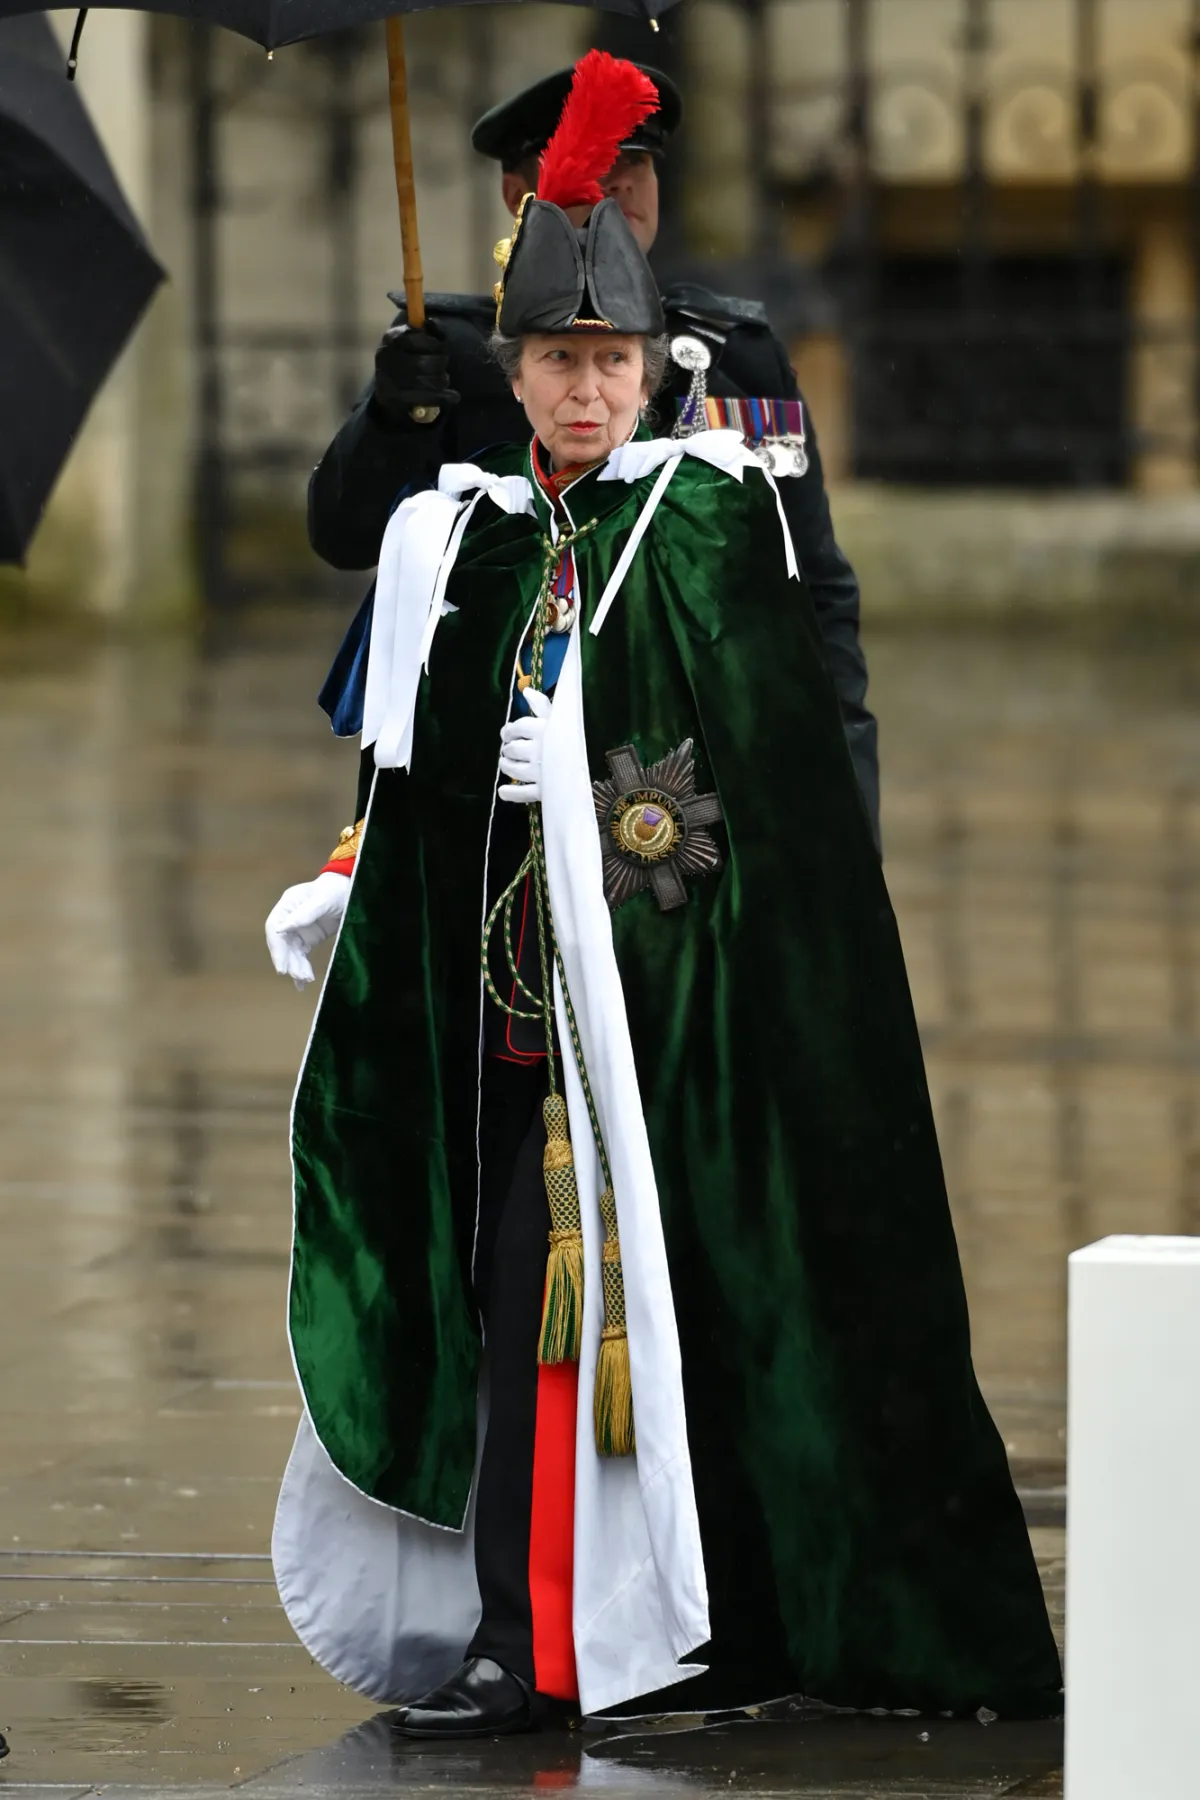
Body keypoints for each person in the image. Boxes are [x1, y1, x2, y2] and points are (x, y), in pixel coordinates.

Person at [266, 51, 1061, 1741]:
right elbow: (378, 604)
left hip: (681, 916)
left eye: (606, 352)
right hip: (505, 953)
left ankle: (704, 1612)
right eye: (552, 353)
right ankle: (526, 1624)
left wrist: (784, 835)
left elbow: (783, 632)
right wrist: (407, 406)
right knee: (503, 1278)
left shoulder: (724, 409)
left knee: (710, 1264)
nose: (578, 384)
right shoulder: (463, 422)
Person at [306, 61, 880, 846]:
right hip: (499, 801)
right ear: (520, 195)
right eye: (595, 163)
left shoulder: (733, 353)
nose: (618, 186)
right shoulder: (455, 358)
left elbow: (810, 595)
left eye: (636, 165)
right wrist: (392, 414)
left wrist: (842, 809)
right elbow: (343, 534)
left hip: (694, 798)